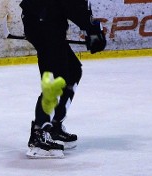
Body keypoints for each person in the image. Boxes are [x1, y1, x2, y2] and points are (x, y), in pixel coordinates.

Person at [19, 0, 106, 158]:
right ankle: (39, 134)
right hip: (42, 21)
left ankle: (53, 126)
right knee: (56, 78)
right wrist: (91, 28)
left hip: (46, 19)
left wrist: (91, 27)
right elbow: (72, 4)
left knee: (72, 71)